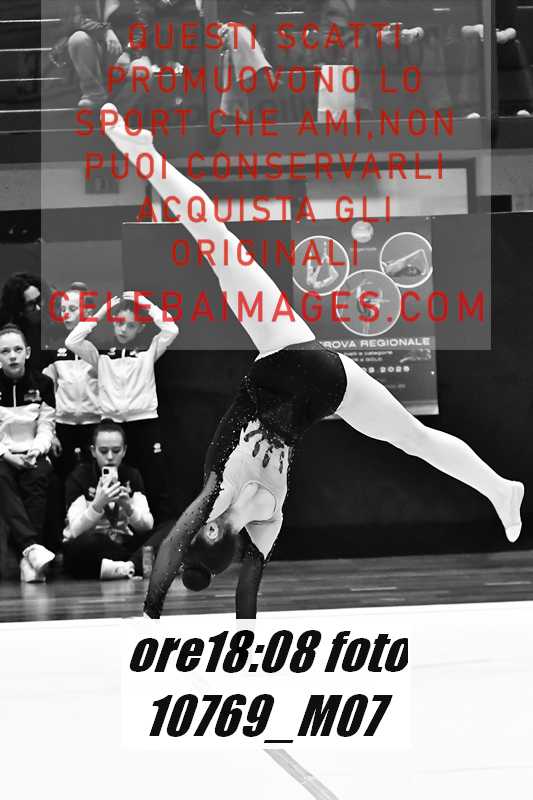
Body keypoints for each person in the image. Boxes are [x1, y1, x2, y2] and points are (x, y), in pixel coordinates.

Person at [102, 105, 525, 619]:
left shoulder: (266, 522)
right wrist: (151, 607)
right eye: (197, 533)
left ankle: (500, 489)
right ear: (209, 530)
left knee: (417, 440)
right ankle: (143, 155)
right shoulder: (218, 490)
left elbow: (247, 591)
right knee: (213, 237)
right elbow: (175, 545)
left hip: (329, 388)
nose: (189, 527)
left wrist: (239, 625)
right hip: (288, 355)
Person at [65, 290, 178, 523]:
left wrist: (145, 303)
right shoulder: (101, 354)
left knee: (154, 481)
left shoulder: (149, 351)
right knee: (116, 481)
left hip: (145, 423)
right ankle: (117, 532)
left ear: (141, 328)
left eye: (130, 325)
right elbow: (72, 341)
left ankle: (160, 535)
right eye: (118, 323)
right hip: (112, 426)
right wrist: (102, 312)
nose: (123, 329)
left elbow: (171, 329)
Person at [63, 419, 154, 580]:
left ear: (124, 451)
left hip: (125, 543)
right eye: (103, 451)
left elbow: (147, 526)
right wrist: (97, 504)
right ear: (93, 451)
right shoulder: (79, 477)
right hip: (95, 544)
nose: (110, 457)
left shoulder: (132, 475)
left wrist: (128, 507)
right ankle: (133, 566)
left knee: (168, 528)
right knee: (78, 548)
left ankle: (125, 567)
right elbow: (75, 530)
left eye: (116, 450)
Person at [0, 325, 56, 582]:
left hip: (33, 451)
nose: (12, 356)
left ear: (28, 352)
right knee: (1, 477)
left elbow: (46, 426)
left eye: (17, 350)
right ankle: (31, 549)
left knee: (38, 477)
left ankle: (28, 559)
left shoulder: (43, 383)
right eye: (5, 351)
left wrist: (35, 451)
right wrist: (7, 455)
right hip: (3, 454)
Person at [43, 282, 101, 479]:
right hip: (63, 427)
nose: (66, 314)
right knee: (62, 480)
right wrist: (51, 433)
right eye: (63, 309)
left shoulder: (101, 349)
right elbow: (47, 394)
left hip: (94, 426)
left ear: (89, 312)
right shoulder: (53, 349)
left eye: (73, 308)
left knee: (94, 479)